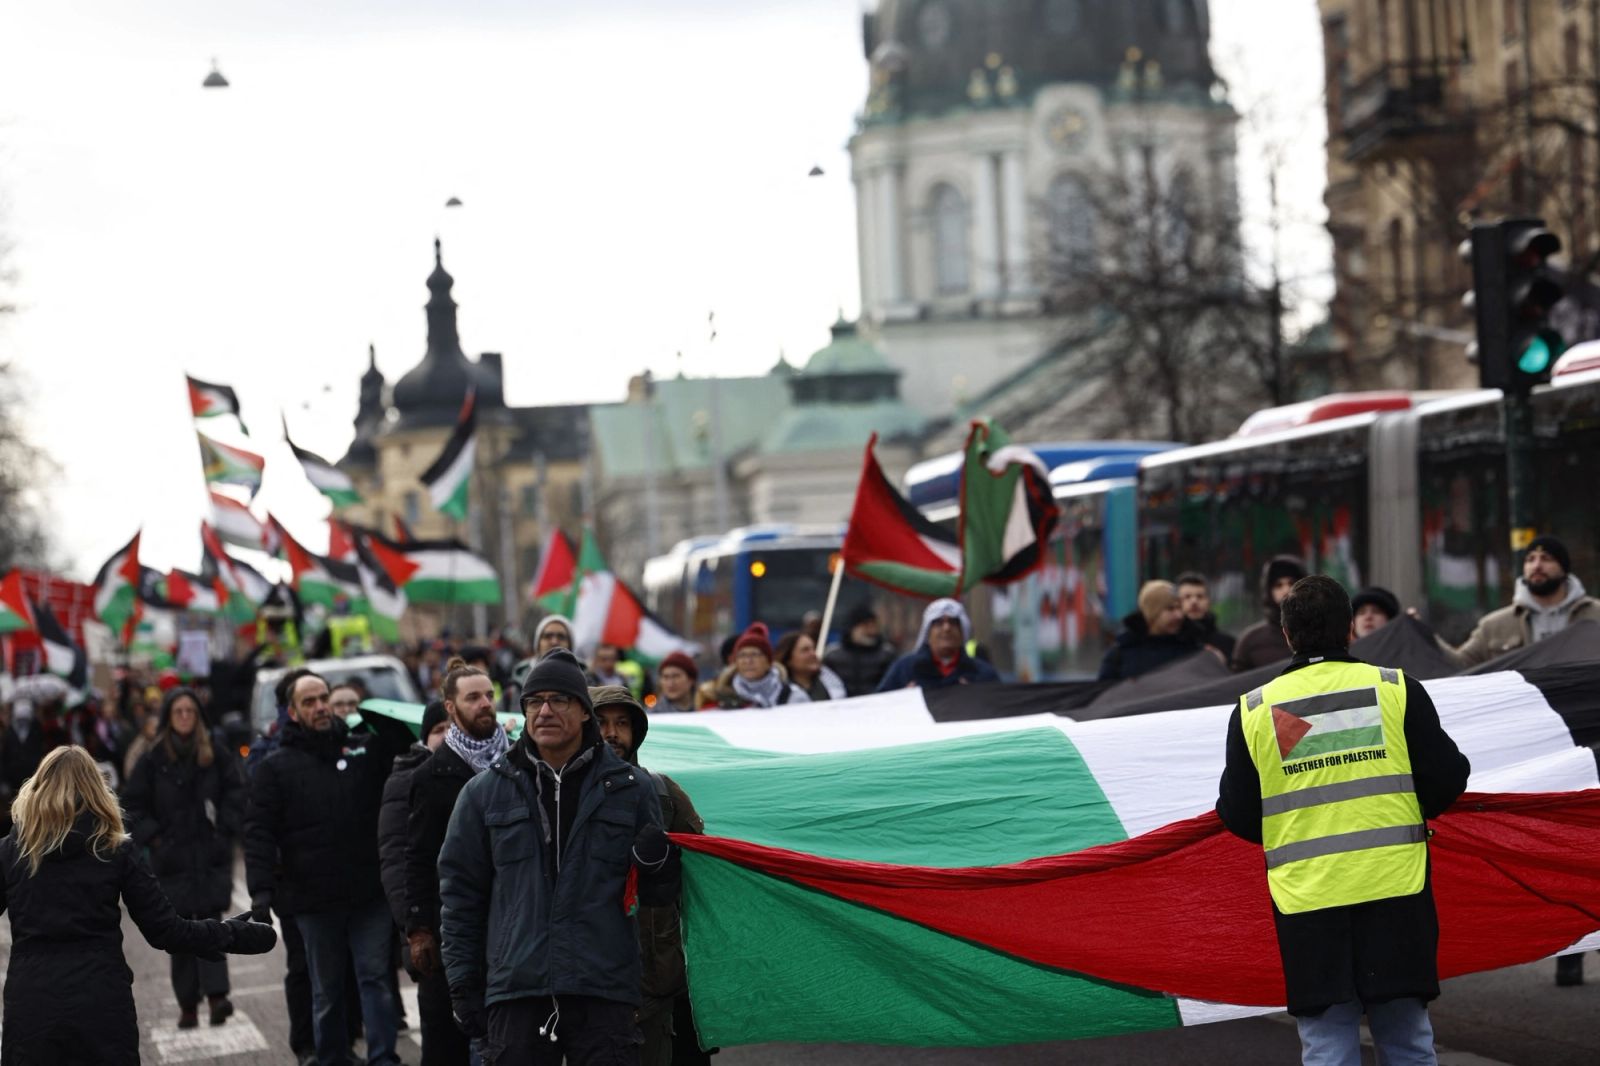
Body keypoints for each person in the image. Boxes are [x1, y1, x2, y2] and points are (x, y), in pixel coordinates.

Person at [1216, 575, 1470, 1066]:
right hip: (1395, 891)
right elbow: (1447, 779)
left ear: (1287, 634)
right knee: (1409, 1042)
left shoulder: (1253, 710)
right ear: (1350, 629)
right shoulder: (1396, 690)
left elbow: (1239, 813)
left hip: (1308, 899)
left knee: (1328, 1048)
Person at [438, 649, 678, 1063]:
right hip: (518, 989)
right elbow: (460, 896)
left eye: (559, 700)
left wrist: (660, 864)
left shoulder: (632, 790)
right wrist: (462, 984)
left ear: (585, 712)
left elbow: (658, 897)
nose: (544, 711)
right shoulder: (484, 793)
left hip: (603, 991)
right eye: (534, 701)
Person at [0, 746, 276, 1065]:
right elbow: (166, 930)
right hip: (100, 1000)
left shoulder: (11, 852)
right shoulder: (112, 849)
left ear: (36, 789)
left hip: (32, 1003)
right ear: (96, 790)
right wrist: (229, 934)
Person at [245, 669, 404, 1066]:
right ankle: (333, 1058)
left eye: (323, 699)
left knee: (375, 979)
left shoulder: (363, 751)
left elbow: (400, 760)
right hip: (313, 901)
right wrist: (260, 894)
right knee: (327, 989)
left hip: (368, 895)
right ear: (293, 712)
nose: (319, 707)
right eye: (309, 702)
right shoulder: (275, 768)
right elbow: (259, 833)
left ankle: (384, 1058)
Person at [589, 686, 710, 1066]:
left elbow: (704, 874)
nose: (612, 733)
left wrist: (665, 870)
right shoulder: (561, 797)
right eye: (601, 722)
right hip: (586, 980)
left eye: (622, 723)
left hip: (656, 981)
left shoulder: (664, 795)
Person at [122, 686, 247, 1030]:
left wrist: (224, 829)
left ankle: (217, 996)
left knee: (212, 925)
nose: (185, 717)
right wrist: (156, 838)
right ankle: (188, 1004)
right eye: (178, 711)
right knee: (178, 931)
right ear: (168, 717)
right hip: (172, 858)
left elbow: (236, 793)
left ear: (199, 716)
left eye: (190, 711)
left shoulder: (215, 753)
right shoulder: (153, 760)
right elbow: (133, 805)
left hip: (208, 855)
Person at [405, 660, 508, 1066]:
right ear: (450, 707)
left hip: (509, 920)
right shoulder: (431, 775)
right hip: (454, 925)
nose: (485, 704)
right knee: (450, 1039)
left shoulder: (516, 761)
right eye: (473, 697)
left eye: (489, 695)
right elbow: (418, 857)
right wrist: (419, 930)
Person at [377, 699, 448, 1056]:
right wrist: (414, 929)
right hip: (430, 926)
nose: (447, 736)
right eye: (439, 729)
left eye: (453, 728)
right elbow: (396, 859)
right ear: (425, 737)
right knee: (441, 1037)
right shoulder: (406, 779)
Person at [1438, 535, 1600, 669]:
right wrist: (1427, 638)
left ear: (1563, 569)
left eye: (1546, 559)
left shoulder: (1595, 614)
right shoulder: (1494, 626)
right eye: (1530, 559)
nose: (1537, 566)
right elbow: (1460, 665)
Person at [876, 599, 1002, 691]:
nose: (946, 628)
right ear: (928, 632)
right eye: (938, 623)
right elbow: (880, 706)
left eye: (953, 622)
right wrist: (903, 699)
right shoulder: (904, 669)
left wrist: (976, 697)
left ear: (962, 631)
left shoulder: (983, 674)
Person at [1097, 580, 1205, 681]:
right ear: (1152, 613)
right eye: (1170, 609)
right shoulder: (1121, 653)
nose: (1179, 615)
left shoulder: (1193, 649)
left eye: (1179, 608)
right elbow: (1105, 691)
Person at [1231, 555, 1308, 672]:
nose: (1286, 590)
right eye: (1278, 585)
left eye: (1291, 583)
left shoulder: (1320, 634)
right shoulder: (1250, 641)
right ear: (1268, 591)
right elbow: (1239, 680)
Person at [705, 623, 801, 708]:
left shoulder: (794, 696)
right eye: (742, 655)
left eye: (754, 654)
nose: (748, 661)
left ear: (768, 662)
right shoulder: (718, 698)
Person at [823, 604, 898, 697]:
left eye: (874, 626)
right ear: (853, 628)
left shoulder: (886, 654)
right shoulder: (833, 655)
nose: (871, 631)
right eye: (866, 626)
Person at [1176, 571, 1235, 662]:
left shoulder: (1228, 643)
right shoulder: (1170, 644)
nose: (1194, 601)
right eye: (1187, 597)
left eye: (1200, 596)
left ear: (1208, 601)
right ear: (1177, 602)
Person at [775, 631, 847, 702]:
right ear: (788, 659)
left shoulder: (830, 680)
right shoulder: (779, 691)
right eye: (805, 650)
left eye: (814, 649)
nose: (813, 654)